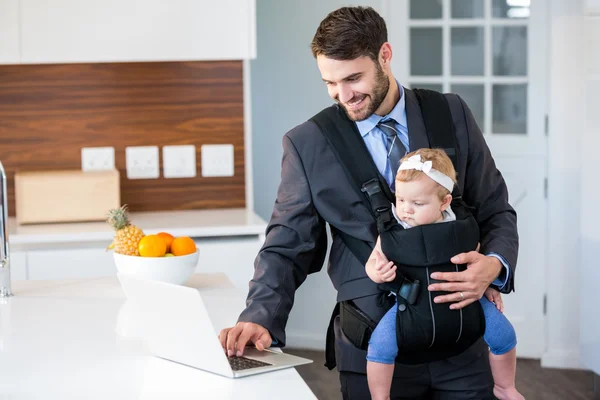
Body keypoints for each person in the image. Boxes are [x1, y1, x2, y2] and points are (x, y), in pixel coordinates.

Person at [219, 6, 518, 399]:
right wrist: (259, 315)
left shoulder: (451, 112)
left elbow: (495, 208)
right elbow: (287, 243)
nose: (344, 96)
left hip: (463, 340)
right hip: (373, 347)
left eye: (353, 78)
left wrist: (493, 266)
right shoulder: (307, 144)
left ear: (384, 55)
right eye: (330, 83)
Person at [365, 148, 523, 400]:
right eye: (400, 199)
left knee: (504, 335)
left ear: (444, 202)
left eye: (417, 203)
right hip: (411, 304)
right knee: (380, 347)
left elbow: (477, 260)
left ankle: (505, 386)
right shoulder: (394, 225)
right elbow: (373, 261)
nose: (406, 209)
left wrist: (489, 284)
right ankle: (380, 397)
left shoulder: (460, 223)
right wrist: (377, 272)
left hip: (466, 301)